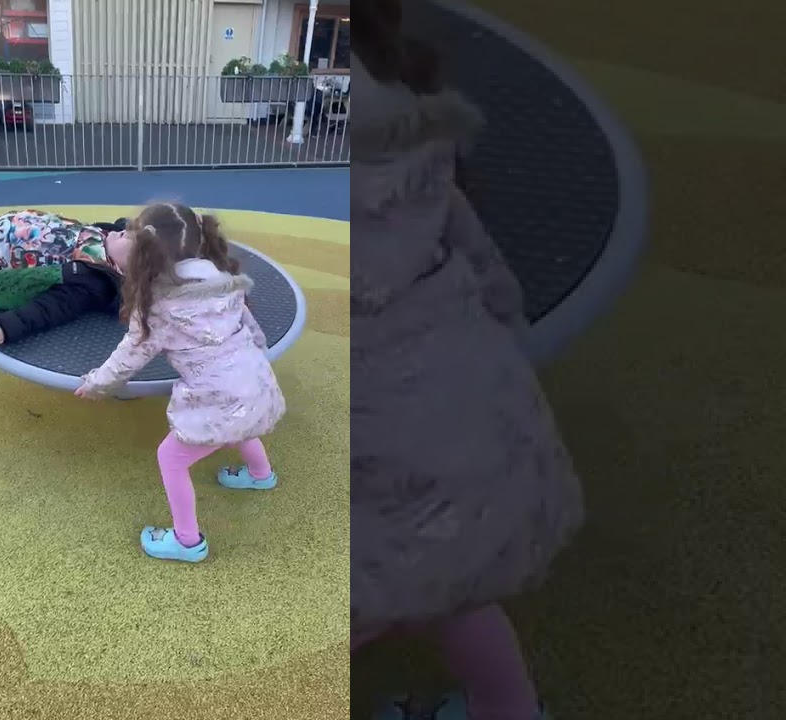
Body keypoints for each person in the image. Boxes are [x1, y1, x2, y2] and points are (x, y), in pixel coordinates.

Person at [349, 2, 581, 719]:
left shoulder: (312, 183)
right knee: (452, 587)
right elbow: (488, 269)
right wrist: (501, 346)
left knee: (351, 601)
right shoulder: (421, 140)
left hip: (377, 445)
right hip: (475, 410)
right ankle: (510, 709)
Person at [74, 202, 285, 563]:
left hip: (219, 396)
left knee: (170, 458)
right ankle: (260, 474)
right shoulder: (225, 280)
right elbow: (251, 327)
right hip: (257, 382)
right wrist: (258, 358)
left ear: (144, 252)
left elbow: (130, 355)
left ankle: (187, 541)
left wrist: (97, 384)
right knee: (239, 418)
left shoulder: (158, 304)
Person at [0, 210, 131, 364]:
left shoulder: (92, 278)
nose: (129, 232)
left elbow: (50, 307)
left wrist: (9, 326)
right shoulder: (109, 235)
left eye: (132, 240)